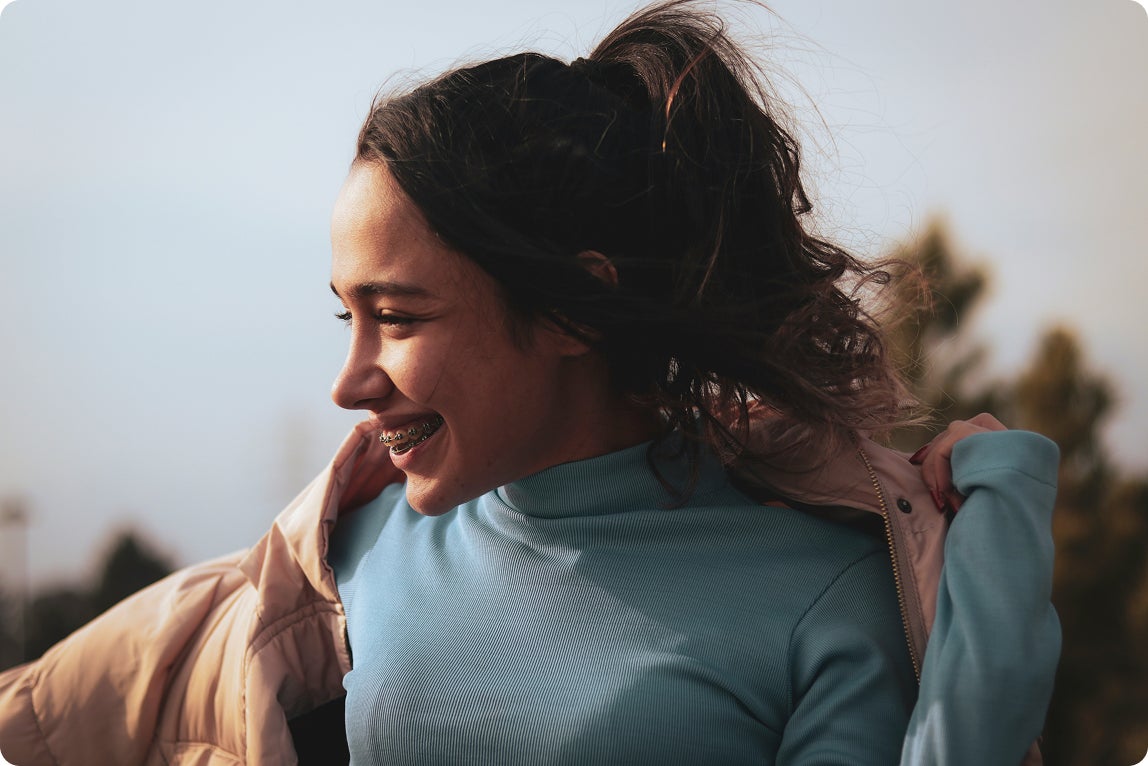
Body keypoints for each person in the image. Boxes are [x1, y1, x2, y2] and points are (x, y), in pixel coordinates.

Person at [0, 1, 1059, 764]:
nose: (347, 382)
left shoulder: (824, 594)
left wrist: (999, 535)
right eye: (346, 314)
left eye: (398, 318)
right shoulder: (328, 573)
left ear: (574, 310)